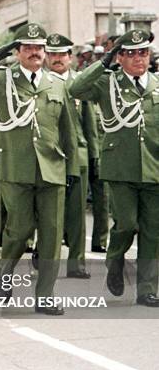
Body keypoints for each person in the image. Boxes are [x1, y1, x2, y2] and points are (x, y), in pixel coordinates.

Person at [0, 23, 78, 315]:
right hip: (15, 166)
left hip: (51, 167)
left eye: (39, 48)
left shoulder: (56, 84)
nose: (35, 52)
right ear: (17, 52)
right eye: (27, 48)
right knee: (20, 229)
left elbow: (68, 131)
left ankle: (45, 295)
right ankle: (4, 270)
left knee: (51, 234)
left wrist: (72, 169)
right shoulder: (2, 80)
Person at [69, 29, 159, 307]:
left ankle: (147, 288)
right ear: (119, 57)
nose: (138, 59)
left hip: (154, 166)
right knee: (126, 224)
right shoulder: (108, 83)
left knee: (153, 230)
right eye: (130, 54)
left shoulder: (157, 84)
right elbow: (76, 89)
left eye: (143, 53)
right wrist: (102, 62)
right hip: (120, 167)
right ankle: (115, 260)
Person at [45, 33, 99, 278]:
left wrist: (94, 156)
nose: (57, 59)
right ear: (47, 57)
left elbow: (90, 124)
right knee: (47, 212)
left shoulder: (80, 83)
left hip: (78, 154)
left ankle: (76, 262)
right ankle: (44, 254)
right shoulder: (39, 82)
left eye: (62, 54)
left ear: (70, 57)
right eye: (53, 54)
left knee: (77, 211)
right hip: (48, 155)